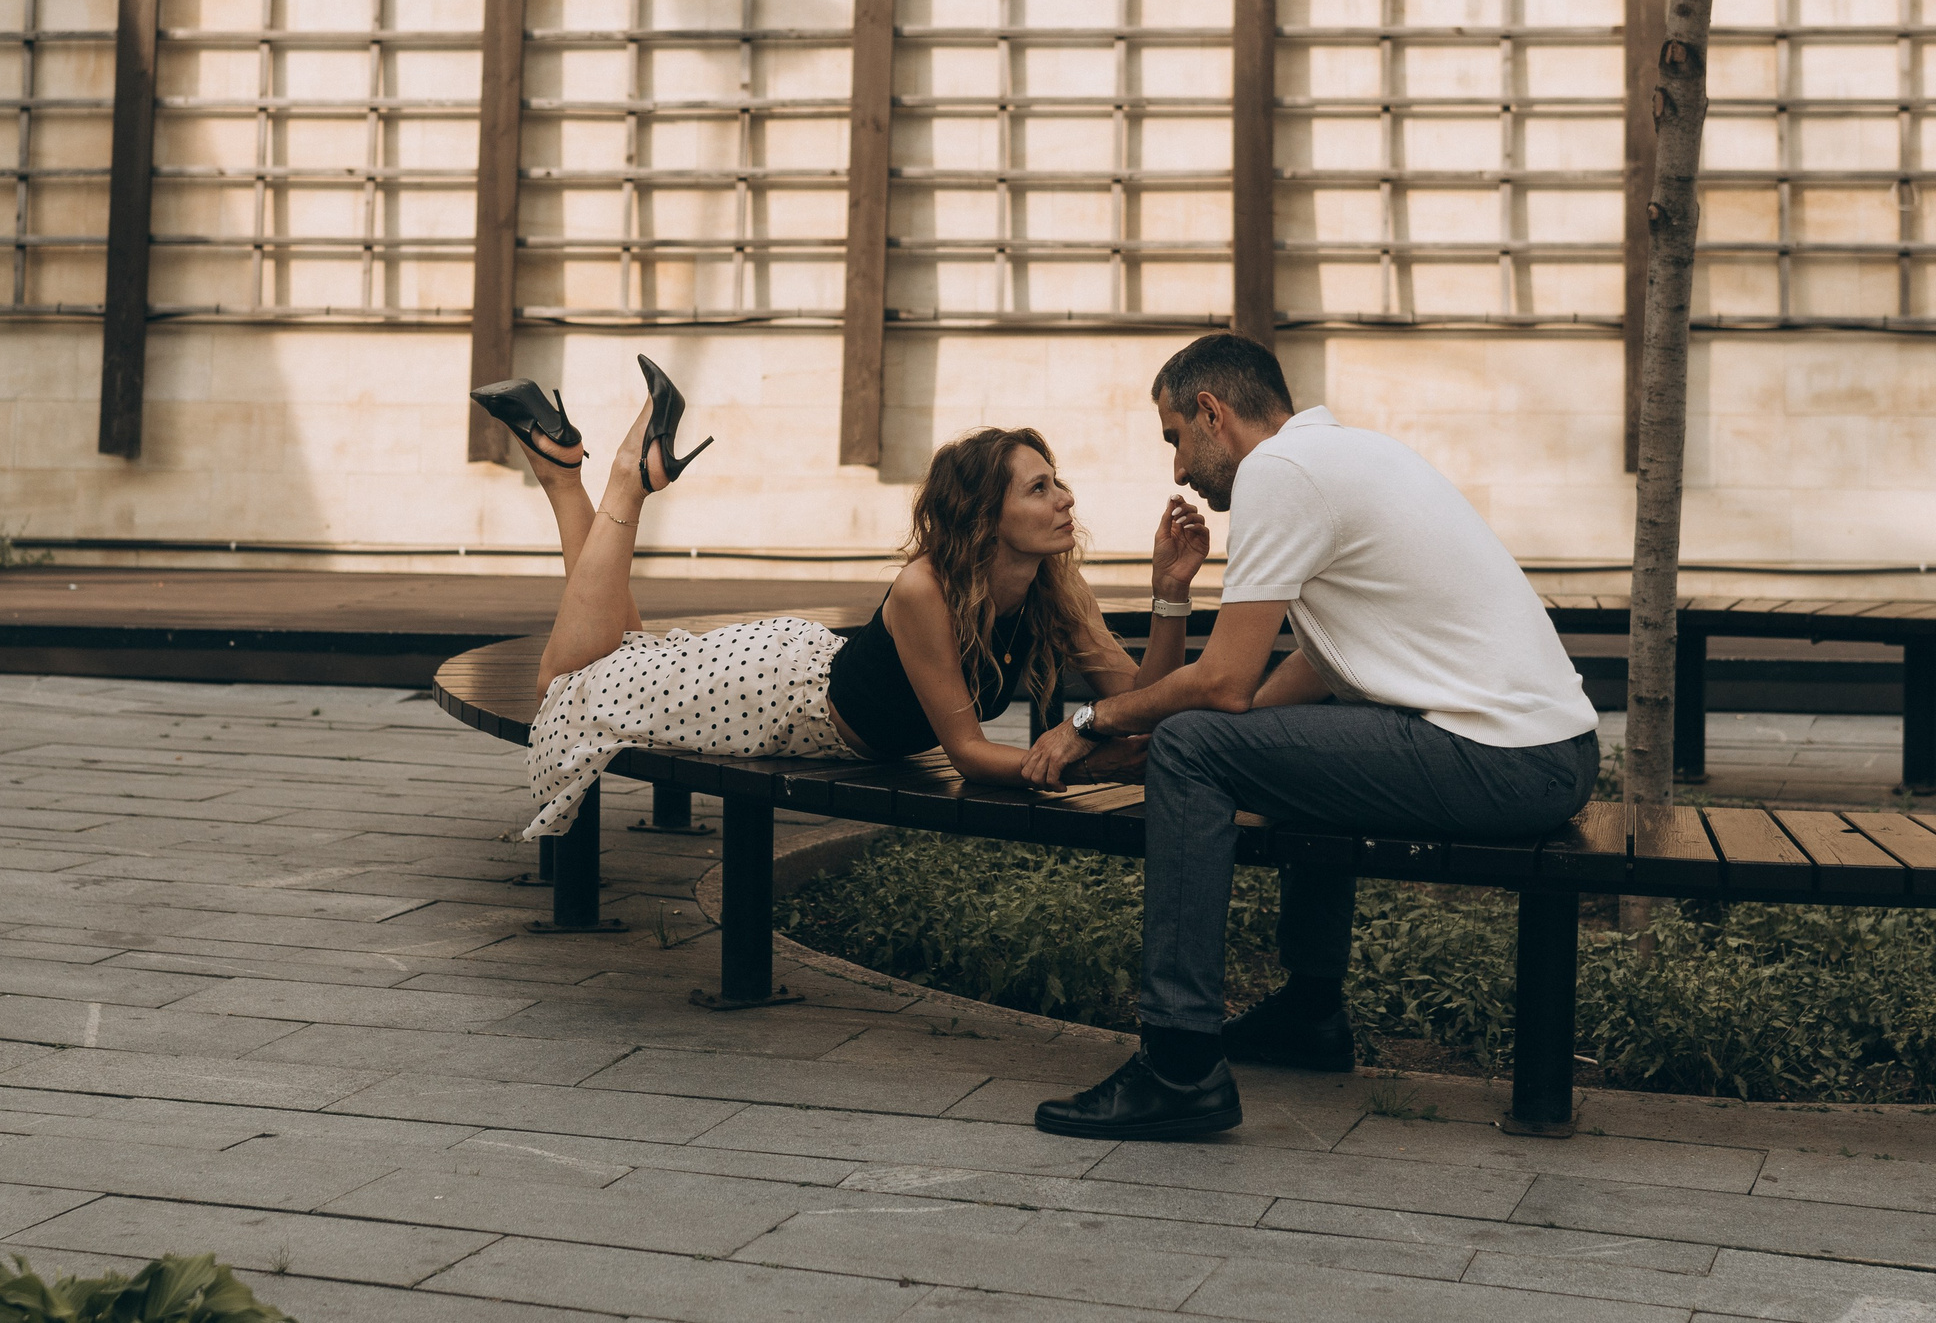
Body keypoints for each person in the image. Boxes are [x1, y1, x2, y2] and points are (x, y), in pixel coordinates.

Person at [1020, 333, 1600, 1142]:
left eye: (1174, 438)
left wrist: (1093, 720)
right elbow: (1305, 675)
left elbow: (1221, 683)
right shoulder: (1346, 452)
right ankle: (1310, 1011)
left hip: (1507, 761)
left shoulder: (1277, 472)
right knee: (1254, 738)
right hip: (1545, 755)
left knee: (1191, 745)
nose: (1178, 470)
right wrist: (1220, 717)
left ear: (1211, 412)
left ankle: (1179, 1064)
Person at [470, 357, 1212, 840]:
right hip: (770, 698)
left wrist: (1169, 596)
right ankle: (629, 476)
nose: (1065, 497)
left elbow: (1143, 700)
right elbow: (968, 752)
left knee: (611, 651)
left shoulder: (1054, 582)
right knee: (564, 684)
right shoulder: (927, 589)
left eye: (1057, 481)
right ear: (985, 516)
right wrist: (1075, 758)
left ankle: (560, 469)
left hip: (799, 676)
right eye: (1040, 486)